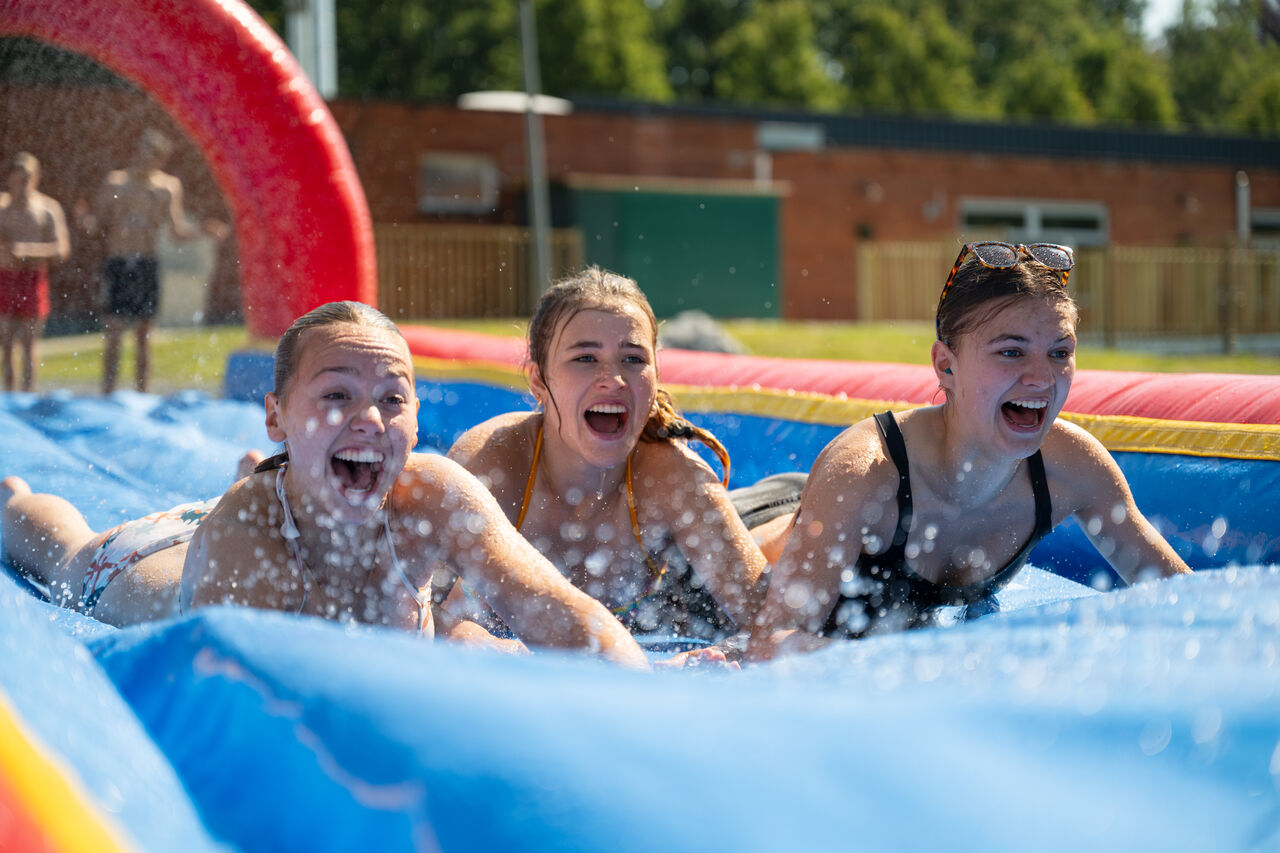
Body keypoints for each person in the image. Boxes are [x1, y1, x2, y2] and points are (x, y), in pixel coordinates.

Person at [1, 301, 648, 669]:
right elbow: (262, 704)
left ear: (418, 418)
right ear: (276, 412)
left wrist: (642, 693)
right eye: (337, 395)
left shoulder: (432, 494)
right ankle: (12, 497)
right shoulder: (245, 555)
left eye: (392, 397)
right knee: (65, 550)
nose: (369, 417)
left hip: (283, 499)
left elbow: (562, 611)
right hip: (144, 564)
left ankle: (283, 470)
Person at [747, 241, 1192, 661]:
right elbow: (770, 644)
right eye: (1012, 352)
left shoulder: (1072, 469)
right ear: (946, 366)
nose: (1042, 377)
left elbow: (1189, 604)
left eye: (1060, 353)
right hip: (751, 535)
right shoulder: (866, 472)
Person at [437, 268, 770, 662]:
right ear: (539, 381)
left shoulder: (675, 477)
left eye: (633, 359)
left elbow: (774, 623)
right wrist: (484, 644)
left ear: (656, 377)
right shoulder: (492, 465)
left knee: (782, 542)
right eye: (585, 357)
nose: (612, 378)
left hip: (748, 519)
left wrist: (715, 657)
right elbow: (423, 608)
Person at [77, 128, 225, 393]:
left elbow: (177, 232)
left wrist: (203, 230)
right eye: (145, 153)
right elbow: (99, 223)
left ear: (161, 159)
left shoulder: (166, 188)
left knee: (144, 335)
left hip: (146, 263)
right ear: (137, 152)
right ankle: (107, 392)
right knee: (113, 332)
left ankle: (142, 393)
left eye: (155, 157)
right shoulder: (116, 184)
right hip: (119, 261)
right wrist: (85, 221)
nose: (148, 160)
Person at [0, 152, 69, 391]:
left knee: (29, 343)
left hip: (32, 279)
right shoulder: (2, 208)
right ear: (10, 179)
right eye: (19, 179)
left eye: (28, 178)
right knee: (6, 342)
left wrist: (27, 251)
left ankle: (27, 394)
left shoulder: (47, 209)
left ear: (36, 178)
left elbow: (61, 249)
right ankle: (7, 396)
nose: (23, 185)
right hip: (5, 278)